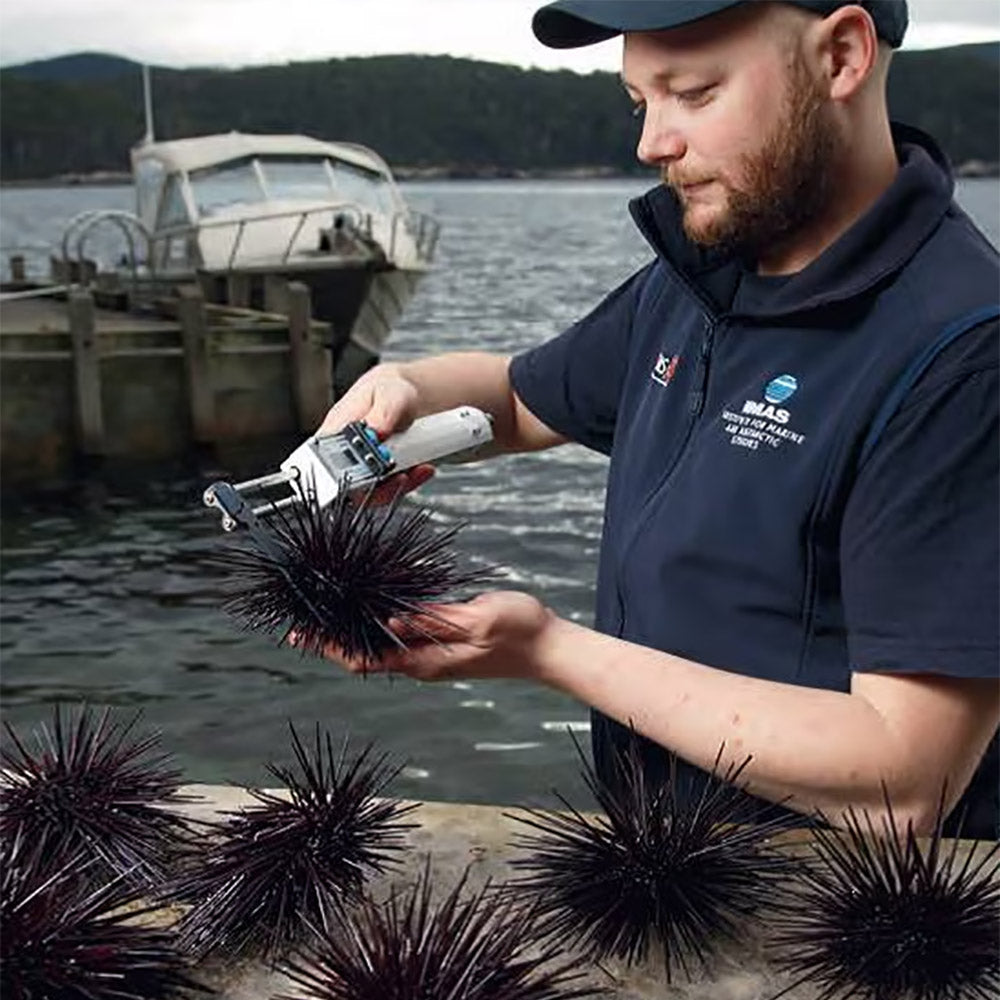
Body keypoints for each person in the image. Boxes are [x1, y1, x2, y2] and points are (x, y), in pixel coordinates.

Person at [313, 0, 1000, 838]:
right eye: (642, 102)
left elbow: (902, 778)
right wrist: (406, 388)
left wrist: (549, 652)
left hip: (858, 924)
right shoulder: (697, 277)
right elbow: (520, 400)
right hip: (669, 877)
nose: (652, 144)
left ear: (843, 56)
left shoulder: (966, 353)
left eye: (695, 93)